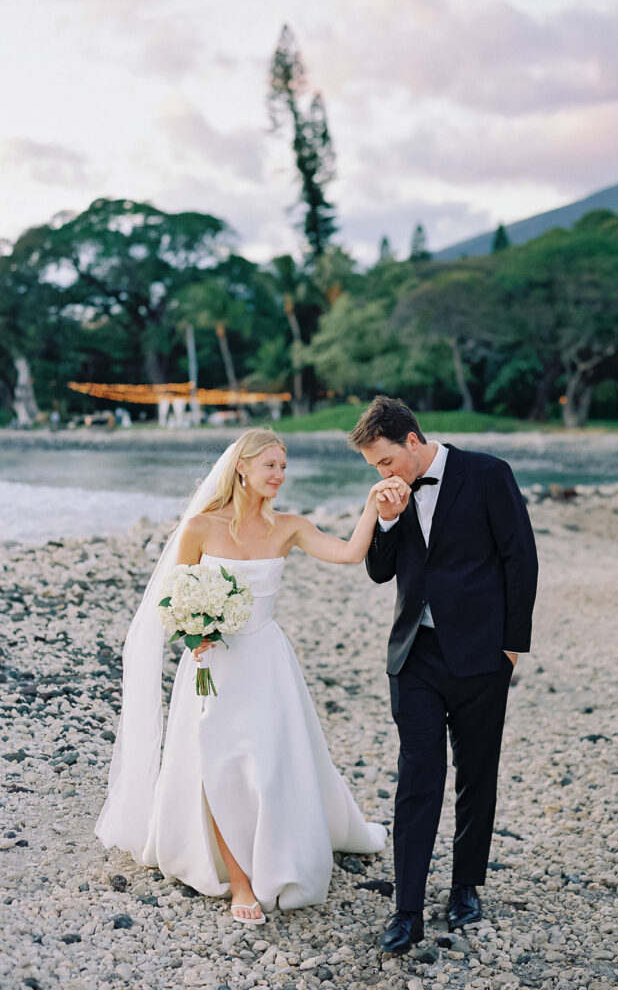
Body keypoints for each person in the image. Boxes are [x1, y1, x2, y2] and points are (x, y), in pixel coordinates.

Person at [96, 428, 407, 923]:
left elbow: (349, 554)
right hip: (209, 666)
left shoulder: (290, 527)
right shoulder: (199, 526)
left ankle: (276, 854)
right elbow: (173, 596)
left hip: (266, 664)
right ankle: (240, 881)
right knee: (217, 765)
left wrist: (373, 503)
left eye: (284, 467)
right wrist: (194, 634)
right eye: (271, 466)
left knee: (267, 766)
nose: (279, 476)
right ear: (242, 467)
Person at [349, 397, 538, 954]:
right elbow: (381, 573)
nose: (382, 475)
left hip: (483, 656)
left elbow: (520, 559)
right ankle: (407, 909)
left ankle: (465, 887)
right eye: (373, 469)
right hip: (416, 657)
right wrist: (385, 518)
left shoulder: (487, 474)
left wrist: (511, 647)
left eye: (385, 462)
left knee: (477, 774)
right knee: (417, 778)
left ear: (411, 440)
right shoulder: (390, 495)